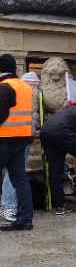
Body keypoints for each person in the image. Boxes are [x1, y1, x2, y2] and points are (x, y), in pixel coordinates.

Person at [0, 54, 35, 231]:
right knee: (20, 180)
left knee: (18, 179)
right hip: (21, 139)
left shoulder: (5, 87)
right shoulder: (25, 87)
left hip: (4, 139)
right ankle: (25, 219)